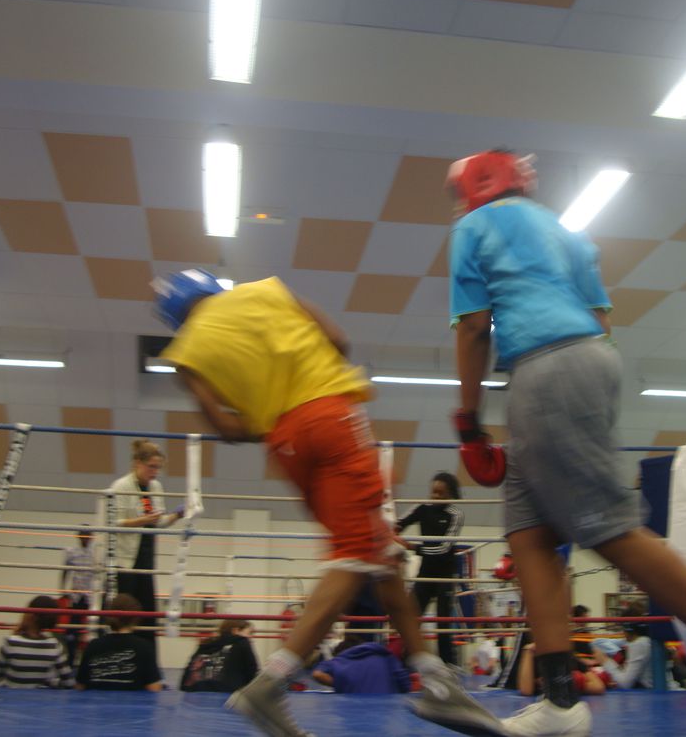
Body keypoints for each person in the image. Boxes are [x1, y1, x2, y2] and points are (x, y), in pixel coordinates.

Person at [445, 149, 686, 737]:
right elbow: (602, 322)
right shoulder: (568, 233)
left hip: (545, 370)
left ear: (476, 186)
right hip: (581, 365)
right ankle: (559, 702)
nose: (456, 202)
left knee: (607, 527)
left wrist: (469, 419)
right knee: (528, 534)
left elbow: (475, 326)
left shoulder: (474, 227)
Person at [153, 269, 503, 737]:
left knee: (382, 555)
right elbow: (338, 341)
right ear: (212, 287)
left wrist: (278, 419)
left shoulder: (184, 354)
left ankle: (436, 680)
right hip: (332, 416)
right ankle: (269, 685)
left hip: (284, 444)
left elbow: (226, 428)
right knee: (357, 556)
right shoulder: (264, 289)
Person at [107, 440, 182, 657]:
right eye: (151, 466)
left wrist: (178, 515)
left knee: (148, 614)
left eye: (158, 467)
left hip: (146, 559)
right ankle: (119, 660)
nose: (155, 472)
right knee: (124, 614)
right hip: (125, 561)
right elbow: (113, 523)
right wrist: (141, 520)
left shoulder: (155, 487)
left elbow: (157, 522)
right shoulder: (120, 487)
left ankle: (149, 666)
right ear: (137, 463)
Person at [395, 471, 465, 665]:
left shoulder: (456, 514)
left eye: (441, 493)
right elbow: (398, 524)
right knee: (411, 617)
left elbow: (444, 548)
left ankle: (448, 666)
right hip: (425, 572)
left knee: (443, 622)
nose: (436, 496)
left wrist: (413, 547)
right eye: (433, 492)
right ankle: (405, 662)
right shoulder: (422, 508)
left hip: (446, 574)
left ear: (450, 495)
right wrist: (392, 534)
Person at [75, 593, 162, 691]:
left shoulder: (93, 645)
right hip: (133, 705)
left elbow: (80, 687)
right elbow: (154, 688)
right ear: (135, 618)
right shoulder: (144, 647)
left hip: (99, 704)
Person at [0, 595, 74, 689]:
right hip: (40, 702)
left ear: (31, 615)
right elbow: (68, 682)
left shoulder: (10, 642)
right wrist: (50, 683)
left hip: (11, 700)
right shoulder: (54, 645)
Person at [311, 635, 412, 694]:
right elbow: (405, 685)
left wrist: (342, 684)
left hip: (353, 711)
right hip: (385, 711)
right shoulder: (385, 656)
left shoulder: (337, 661)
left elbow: (317, 674)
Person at [180, 619, 259, 692]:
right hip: (227, 695)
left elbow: (187, 673)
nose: (251, 637)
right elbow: (252, 670)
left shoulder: (206, 644)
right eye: (249, 633)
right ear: (235, 631)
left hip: (195, 695)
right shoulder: (242, 642)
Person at [60, 526, 96, 667]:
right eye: (83, 535)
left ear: (91, 537)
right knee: (72, 631)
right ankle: (71, 660)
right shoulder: (72, 552)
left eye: (88, 536)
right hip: (76, 596)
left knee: (92, 630)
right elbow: (65, 571)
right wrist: (63, 590)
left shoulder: (96, 553)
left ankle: (89, 662)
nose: (85, 538)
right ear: (79, 536)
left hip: (92, 598)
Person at [592, 620, 653, 690]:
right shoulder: (645, 641)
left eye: (623, 629)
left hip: (646, 691)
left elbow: (625, 684)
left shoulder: (639, 644)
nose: (623, 633)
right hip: (648, 689)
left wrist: (605, 661)